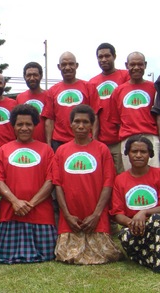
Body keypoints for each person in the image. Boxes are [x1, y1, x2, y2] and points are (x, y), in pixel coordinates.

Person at [52, 104, 123, 265]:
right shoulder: (61, 151)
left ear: (92, 125)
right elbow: (58, 185)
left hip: (96, 216)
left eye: (85, 122)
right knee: (66, 255)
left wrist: (96, 215)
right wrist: (68, 216)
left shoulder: (102, 149)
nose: (81, 126)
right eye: (77, 121)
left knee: (106, 254)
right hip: (71, 217)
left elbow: (108, 183)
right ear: (71, 124)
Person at [0, 104, 57, 264]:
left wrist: (31, 204)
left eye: (28, 124)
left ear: (35, 125)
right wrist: (15, 202)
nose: (24, 128)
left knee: (48, 254)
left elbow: (51, 181)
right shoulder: (3, 150)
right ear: (13, 126)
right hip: (11, 213)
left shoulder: (47, 150)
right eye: (19, 124)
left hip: (41, 214)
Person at [110, 135, 160, 272]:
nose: (138, 155)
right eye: (134, 151)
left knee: (156, 220)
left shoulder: (158, 174)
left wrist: (144, 212)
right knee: (125, 236)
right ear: (127, 153)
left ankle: (153, 260)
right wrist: (133, 223)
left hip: (156, 226)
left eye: (143, 152)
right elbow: (117, 213)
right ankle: (152, 259)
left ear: (150, 154)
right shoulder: (120, 180)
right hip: (133, 229)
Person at [41, 51, 101, 152]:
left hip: (85, 140)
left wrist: (94, 139)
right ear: (59, 67)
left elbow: (94, 116)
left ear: (76, 65)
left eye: (71, 64)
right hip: (59, 142)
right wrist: (48, 144)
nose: (67, 67)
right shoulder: (51, 91)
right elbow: (49, 120)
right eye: (64, 64)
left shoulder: (89, 87)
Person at [110, 51, 159, 169]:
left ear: (145, 65)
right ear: (127, 65)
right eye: (132, 64)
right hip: (128, 139)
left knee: (156, 177)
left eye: (140, 64)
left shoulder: (154, 88)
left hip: (151, 137)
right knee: (132, 178)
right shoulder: (118, 91)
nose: (136, 67)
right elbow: (116, 120)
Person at [89, 43, 130, 174]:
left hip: (120, 140)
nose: (104, 59)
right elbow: (93, 113)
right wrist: (94, 140)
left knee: (122, 176)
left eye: (107, 56)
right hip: (101, 141)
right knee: (103, 177)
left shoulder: (125, 76)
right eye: (100, 57)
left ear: (114, 56)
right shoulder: (92, 82)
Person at [16, 62, 47, 143]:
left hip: (44, 145)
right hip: (25, 144)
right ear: (24, 77)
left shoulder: (49, 96)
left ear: (41, 76)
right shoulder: (19, 98)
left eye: (35, 75)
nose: (32, 78)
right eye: (29, 75)